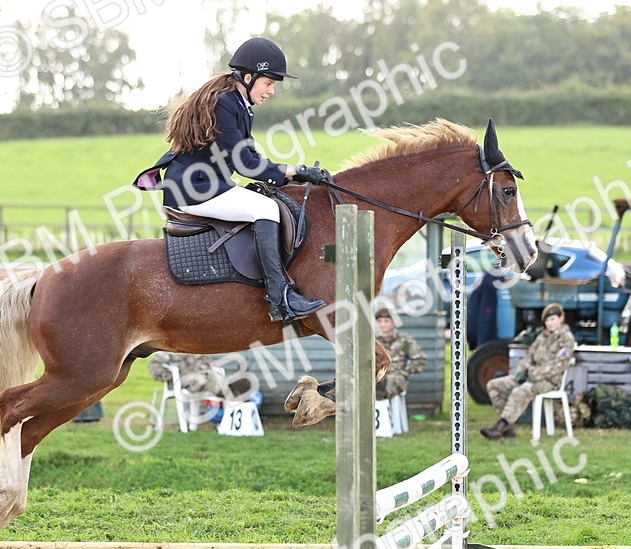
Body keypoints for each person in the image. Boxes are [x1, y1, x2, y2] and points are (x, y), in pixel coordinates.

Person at [134, 37, 327, 322]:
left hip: (206, 183)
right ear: (248, 78)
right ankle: (280, 297)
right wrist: (293, 170)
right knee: (266, 209)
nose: (271, 91)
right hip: (194, 189)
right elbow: (245, 163)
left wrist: (288, 175)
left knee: (264, 201)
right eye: (269, 83)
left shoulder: (238, 103)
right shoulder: (225, 104)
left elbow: (247, 156)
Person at [480, 303, 576, 440]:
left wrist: (535, 374)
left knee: (521, 391)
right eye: (547, 320)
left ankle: (500, 426)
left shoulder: (566, 339)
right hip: (530, 376)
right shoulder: (542, 337)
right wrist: (521, 372)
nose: (549, 323)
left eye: (553, 319)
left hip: (549, 381)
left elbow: (558, 365)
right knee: (495, 386)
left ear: (561, 318)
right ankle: (508, 427)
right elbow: (529, 356)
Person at [374, 306, 426, 400]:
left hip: (396, 376)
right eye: (379, 321)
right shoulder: (372, 340)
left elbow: (419, 360)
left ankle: (380, 396)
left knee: (390, 382)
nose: (382, 324)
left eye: (386, 321)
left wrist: (405, 372)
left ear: (393, 322)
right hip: (375, 376)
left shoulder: (404, 339)